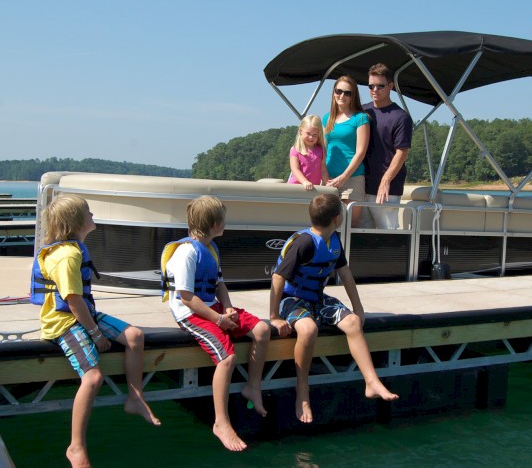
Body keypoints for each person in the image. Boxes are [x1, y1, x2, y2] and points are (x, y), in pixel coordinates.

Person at [30, 194, 160, 468]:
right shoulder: (66, 255)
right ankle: (76, 447)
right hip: (63, 322)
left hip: (82, 314)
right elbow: (73, 300)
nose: (93, 215)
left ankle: (135, 398)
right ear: (76, 221)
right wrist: (96, 334)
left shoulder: (75, 249)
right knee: (93, 377)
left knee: (135, 336)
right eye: (88, 212)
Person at [269, 193, 399, 423]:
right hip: (292, 299)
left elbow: (346, 275)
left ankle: (371, 381)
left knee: (352, 323)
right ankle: (302, 390)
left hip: (317, 298)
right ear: (338, 218)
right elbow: (278, 277)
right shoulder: (304, 243)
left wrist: (358, 309)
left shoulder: (334, 239)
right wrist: (274, 316)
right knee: (308, 330)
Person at [160, 195, 271, 452]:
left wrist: (228, 308)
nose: (225, 222)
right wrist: (219, 320)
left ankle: (253, 387)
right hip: (191, 314)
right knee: (226, 358)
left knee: (263, 329)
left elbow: (219, 283)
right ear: (213, 224)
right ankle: (221, 422)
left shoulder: (211, 248)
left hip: (213, 307)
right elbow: (186, 297)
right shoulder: (186, 253)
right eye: (222, 218)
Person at [362, 63, 414, 229]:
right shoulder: (362, 112)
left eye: (380, 86)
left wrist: (385, 180)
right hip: (361, 184)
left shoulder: (401, 117)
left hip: (386, 189)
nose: (374, 90)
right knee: (358, 233)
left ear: (390, 86)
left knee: (387, 233)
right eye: (371, 86)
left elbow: (402, 152)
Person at [322, 75, 370, 227]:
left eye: (347, 93)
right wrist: (324, 178)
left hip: (352, 180)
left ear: (353, 96)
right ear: (333, 92)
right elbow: (322, 150)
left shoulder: (361, 118)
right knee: (327, 225)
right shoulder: (326, 118)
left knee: (349, 225)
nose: (342, 95)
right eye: (339, 91)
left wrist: (344, 177)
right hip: (328, 180)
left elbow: (361, 152)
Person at [287, 114, 329, 190]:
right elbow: (295, 169)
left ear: (319, 135)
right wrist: (304, 181)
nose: (311, 137)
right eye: (308, 133)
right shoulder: (295, 150)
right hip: (296, 188)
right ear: (300, 131)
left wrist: (327, 183)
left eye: (314, 135)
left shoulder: (321, 150)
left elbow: (323, 170)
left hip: (313, 188)